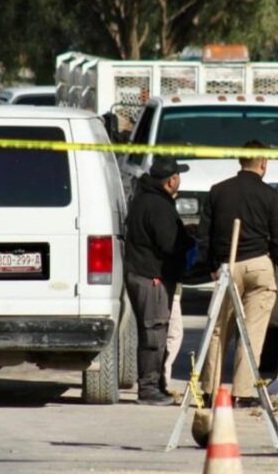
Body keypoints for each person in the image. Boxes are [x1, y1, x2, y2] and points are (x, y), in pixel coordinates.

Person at [198, 140, 278, 408]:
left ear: (241, 161)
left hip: (228, 267)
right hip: (259, 267)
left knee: (219, 331)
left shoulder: (218, 192)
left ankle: (209, 391)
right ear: (263, 163)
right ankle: (244, 393)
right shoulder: (270, 196)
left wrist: (213, 267)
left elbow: (204, 235)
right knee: (251, 334)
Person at [124, 156, 194, 405]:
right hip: (150, 276)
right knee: (154, 334)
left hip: (144, 273)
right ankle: (149, 388)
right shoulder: (157, 205)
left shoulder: (147, 198)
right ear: (171, 180)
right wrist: (188, 242)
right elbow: (169, 244)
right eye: (178, 176)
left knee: (158, 332)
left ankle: (157, 385)